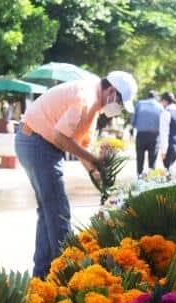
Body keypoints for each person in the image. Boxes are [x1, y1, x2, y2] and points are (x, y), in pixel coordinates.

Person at [15, 70, 137, 277]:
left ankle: (43, 274)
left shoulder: (93, 105)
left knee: (48, 213)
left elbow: (79, 144)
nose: (119, 108)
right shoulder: (86, 98)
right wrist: (94, 160)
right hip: (37, 143)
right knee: (59, 212)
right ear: (110, 91)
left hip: (36, 143)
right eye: (120, 102)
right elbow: (61, 137)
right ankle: (67, 275)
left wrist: (96, 173)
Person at [132, 90, 162, 175]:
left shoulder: (139, 104)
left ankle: (139, 177)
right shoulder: (159, 106)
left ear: (148, 96)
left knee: (140, 158)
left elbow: (133, 120)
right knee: (152, 161)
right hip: (154, 136)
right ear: (155, 97)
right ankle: (151, 180)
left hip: (141, 135)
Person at [158, 91, 176, 170]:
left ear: (165, 101)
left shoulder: (165, 113)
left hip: (169, 147)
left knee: (168, 173)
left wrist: (163, 151)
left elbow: (164, 133)